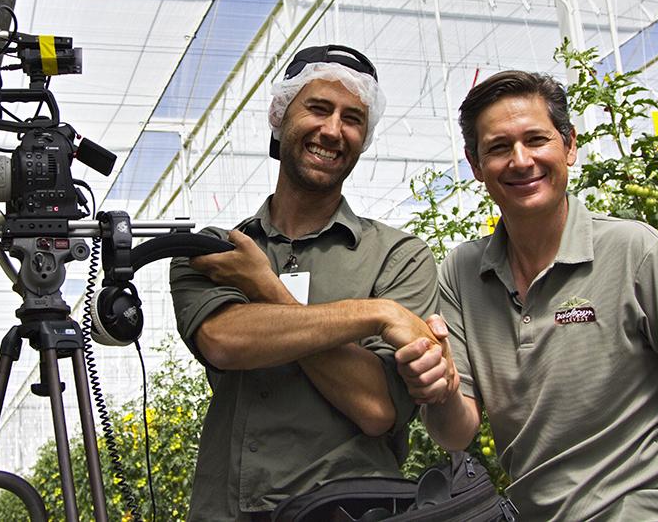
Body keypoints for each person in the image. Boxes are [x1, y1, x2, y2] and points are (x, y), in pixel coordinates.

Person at [401, 70, 658, 520]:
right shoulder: (462, 272)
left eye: (536, 139)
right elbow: (457, 434)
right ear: (475, 166)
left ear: (569, 146)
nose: (520, 160)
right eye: (497, 147)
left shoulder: (635, 252)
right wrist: (440, 388)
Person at [169, 45, 449, 521]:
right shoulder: (214, 249)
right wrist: (375, 313)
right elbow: (224, 339)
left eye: (353, 119)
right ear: (280, 116)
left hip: (354, 511)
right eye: (317, 108)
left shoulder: (398, 256)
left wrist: (265, 287)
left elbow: (377, 408)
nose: (333, 130)